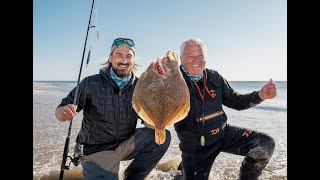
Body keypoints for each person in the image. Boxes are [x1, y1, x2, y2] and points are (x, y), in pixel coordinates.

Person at [55, 37, 171, 180]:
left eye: (129, 56)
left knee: (162, 137)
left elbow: (147, 120)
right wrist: (63, 112)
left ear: (133, 60)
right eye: (119, 55)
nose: (124, 60)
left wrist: (164, 118)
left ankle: (133, 176)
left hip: (125, 144)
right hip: (97, 151)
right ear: (110, 58)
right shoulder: (90, 83)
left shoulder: (140, 86)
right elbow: (60, 111)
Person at [174, 38, 277, 180]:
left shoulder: (214, 77)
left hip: (222, 134)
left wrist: (260, 95)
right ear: (181, 59)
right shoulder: (173, 81)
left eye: (200, 56)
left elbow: (236, 101)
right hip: (195, 146)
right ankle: (183, 170)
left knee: (265, 144)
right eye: (191, 56)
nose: (196, 60)